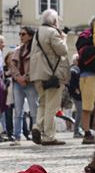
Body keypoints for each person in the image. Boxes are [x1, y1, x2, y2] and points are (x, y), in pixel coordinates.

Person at [29, 9, 70, 146]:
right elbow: (62, 51)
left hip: (37, 74)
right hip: (51, 74)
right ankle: (48, 136)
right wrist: (64, 38)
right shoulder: (53, 33)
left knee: (43, 103)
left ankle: (37, 126)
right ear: (53, 21)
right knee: (51, 106)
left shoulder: (36, 33)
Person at [76, 17, 95, 145]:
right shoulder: (85, 36)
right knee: (87, 107)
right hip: (88, 74)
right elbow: (83, 53)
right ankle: (87, 133)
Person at [9, 26, 37, 142]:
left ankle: (37, 133)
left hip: (30, 83)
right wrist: (19, 78)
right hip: (18, 83)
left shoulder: (35, 51)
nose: (21, 36)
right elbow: (12, 66)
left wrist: (26, 77)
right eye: (20, 34)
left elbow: (36, 67)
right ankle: (17, 136)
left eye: (23, 34)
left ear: (30, 36)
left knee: (34, 109)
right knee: (18, 111)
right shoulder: (18, 50)